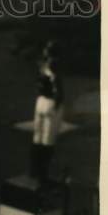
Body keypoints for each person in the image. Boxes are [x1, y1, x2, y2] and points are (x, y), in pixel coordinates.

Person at [31, 39, 65, 182]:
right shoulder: (52, 65)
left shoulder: (44, 65)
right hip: (50, 102)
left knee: (39, 138)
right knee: (45, 139)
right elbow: (58, 90)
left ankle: (36, 171)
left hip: (43, 102)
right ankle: (41, 173)